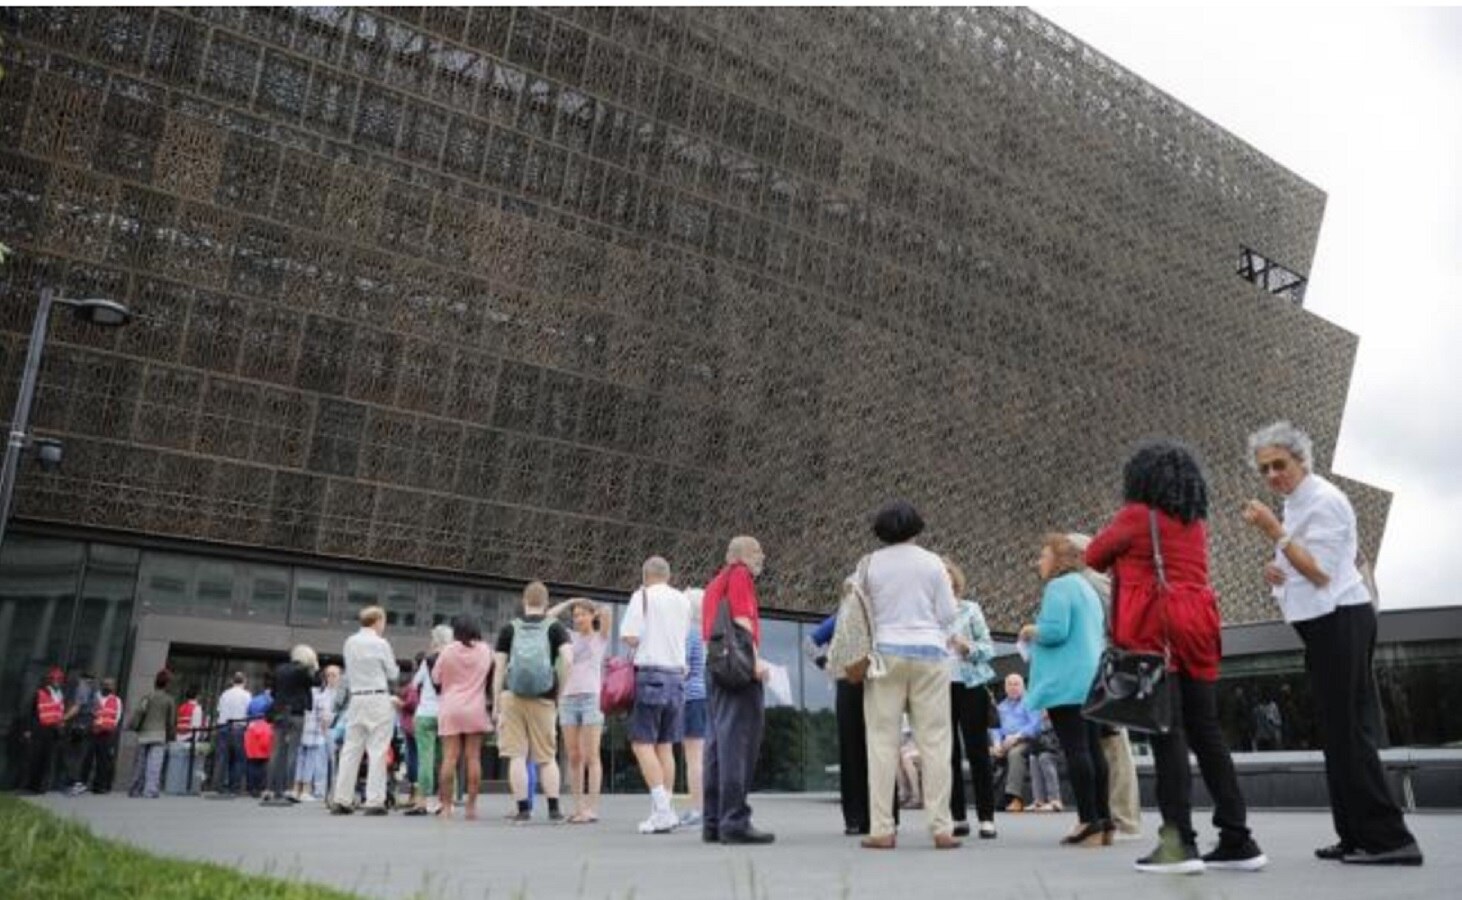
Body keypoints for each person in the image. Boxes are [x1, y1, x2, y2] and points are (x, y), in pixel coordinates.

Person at [1242, 421, 1423, 866]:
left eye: (1279, 465)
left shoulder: (1323, 501)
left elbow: (1322, 571)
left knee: (1351, 733)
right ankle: (1356, 835)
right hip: (1324, 625)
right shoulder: (1296, 504)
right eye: (1264, 469)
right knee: (1336, 734)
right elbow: (1306, 563)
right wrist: (1277, 567)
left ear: (1301, 460)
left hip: (1341, 620)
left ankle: (1390, 840)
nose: (1271, 476)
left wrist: (1274, 533)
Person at [1088, 439, 1266, 874]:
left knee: (1168, 733)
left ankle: (1178, 843)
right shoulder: (1194, 521)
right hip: (1200, 626)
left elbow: (1094, 555)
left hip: (1157, 630)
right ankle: (1237, 839)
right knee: (1207, 732)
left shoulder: (1135, 517)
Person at [859, 501, 960, 851]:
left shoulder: (869, 564)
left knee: (882, 743)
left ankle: (881, 829)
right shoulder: (933, 562)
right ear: (917, 527)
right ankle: (941, 827)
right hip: (930, 653)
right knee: (934, 742)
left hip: (885, 653)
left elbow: (860, 612)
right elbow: (949, 614)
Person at [1019, 533, 1110, 848]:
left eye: (1043, 556)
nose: (1038, 562)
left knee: (1076, 750)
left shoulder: (1058, 587)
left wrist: (1032, 630)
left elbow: (1056, 631)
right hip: (1091, 677)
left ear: (1057, 559)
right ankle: (1104, 819)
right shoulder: (1086, 587)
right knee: (1093, 749)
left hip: (1066, 682)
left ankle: (1087, 821)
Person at [1067, 532, 1144, 841]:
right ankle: (1113, 818)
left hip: (1104, 668)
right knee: (1105, 744)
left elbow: (1118, 624)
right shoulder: (1083, 581)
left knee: (1112, 745)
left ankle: (1124, 820)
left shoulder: (1090, 580)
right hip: (1100, 668)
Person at [701, 535, 776, 845]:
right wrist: (756, 662)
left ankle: (714, 822)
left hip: (716, 667)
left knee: (717, 745)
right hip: (738, 667)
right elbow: (743, 622)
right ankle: (735, 820)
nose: (763, 556)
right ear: (743, 555)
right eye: (758, 550)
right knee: (739, 744)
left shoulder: (714, 583)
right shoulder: (740, 575)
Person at [620, 556, 693, 834]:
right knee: (665, 746)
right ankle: (665, 811)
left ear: (645, 575)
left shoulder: (642, 596)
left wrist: (643, 638)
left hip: (651, 674)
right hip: (677, 677)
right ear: (668, 575)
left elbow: (629, 635)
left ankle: (662, 809)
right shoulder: (683, 601)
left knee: (642, 744)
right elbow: (683, 636)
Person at [492, 581, 572, 823]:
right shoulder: (556, 628)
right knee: (546, 757)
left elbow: (499, 668)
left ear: (524, 601)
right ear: (546, 602)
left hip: (512, 695)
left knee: (517, 755)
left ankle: (523, 810)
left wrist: (496, 702)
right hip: (544, 696)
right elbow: (568, 660)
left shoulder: (509, 629)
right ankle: (555, 810)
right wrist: (560, 692)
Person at [943, 558, 998, 840]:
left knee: (977, 752)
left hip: (970, 685)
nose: (943, 582)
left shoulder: (970, 609)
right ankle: (957, 817)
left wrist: (969, 647)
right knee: (947, 754)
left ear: (955, 581)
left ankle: (987, 818)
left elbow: (989, 649)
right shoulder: (927, 614)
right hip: (938, 687)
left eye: (946, 577)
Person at [331, 606, 401, 816]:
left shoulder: (350, 642)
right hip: (378, 697)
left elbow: (349, 671)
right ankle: (374, 801)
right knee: (377, 750)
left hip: (357, 698)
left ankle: (341, 799)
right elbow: (392, 672)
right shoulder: (381, 643)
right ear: (378, 620)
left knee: (351, 750)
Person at [548, 597, 611, 825]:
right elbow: (547, 617)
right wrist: (571, 601)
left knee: (591, 755)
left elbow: (606, 613)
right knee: (573, 756)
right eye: (575, 615)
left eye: (582, 614)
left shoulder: (599, 638)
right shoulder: (568, 638)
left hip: (591, 698)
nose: (578, 619)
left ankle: (592, 808)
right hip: (567, 698)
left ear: (591, 616)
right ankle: (578, 807)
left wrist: (592, 608)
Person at [430, 614, 493, 820]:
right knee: (473, 758)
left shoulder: (448, 651)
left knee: (449, 758)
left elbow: (436, 678)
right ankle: (471, 807)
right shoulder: (485, 650)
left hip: (450, 707)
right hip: (475, 707)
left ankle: (447, 807)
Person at [403, 625, 452, 816]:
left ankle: (422, 801)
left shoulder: (427, 661)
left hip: (426, 714)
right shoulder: (453, 659)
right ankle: (445, 802)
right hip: (447, 715)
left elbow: (415, 684)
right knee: (446, 759)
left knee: (425, 758)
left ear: (434, 641)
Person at [263, 645, 318, 805]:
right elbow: (316, 682)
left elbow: (273, 692)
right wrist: (314, 666)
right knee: (293, 751)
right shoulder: (302, 670)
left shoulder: (280, 669)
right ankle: (289, 789)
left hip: (279, 713)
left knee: (276, 751)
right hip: (296, 713)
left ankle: (269, 789)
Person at [990, 673, 1042, 810]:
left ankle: (1014, 798)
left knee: (1015, 753)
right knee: (989, 754)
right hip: (1006, 742)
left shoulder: (1030, 702)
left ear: (1023, 687)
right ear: (1005, 688)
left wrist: (1017, 737)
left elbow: (1035, 725)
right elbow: (996, 728)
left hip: (1028, 740)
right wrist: (996, 744)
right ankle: (990, 797)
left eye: (1016, 684)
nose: (1013, 687)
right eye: (1010, 684)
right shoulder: (1001, 707)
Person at [679, 590, 707, 829]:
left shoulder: (689, 634)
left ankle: (698, 810)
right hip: (707, 697)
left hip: (691, 698)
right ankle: (705, 808)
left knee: (693, 758)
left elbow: (683, 669)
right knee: (703, 756)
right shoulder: (707, 634)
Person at [128, 669, 177, 798]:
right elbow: (170, 722)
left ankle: (135, 789)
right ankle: (150, 790)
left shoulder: (147, 697)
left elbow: (139, 712)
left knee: (140, 763)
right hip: (159, 735)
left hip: (144, 734)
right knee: (154, 765)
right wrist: (171, 735)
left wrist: (134, 727)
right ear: (167, 684)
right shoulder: (169, 700)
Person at [294, 665, 335, 802]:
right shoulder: (322, 694)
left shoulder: (306, 692)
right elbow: (325, 715)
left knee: (300, 760)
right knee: (310, 761)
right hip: (315, 732)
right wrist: (326, 727)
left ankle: (296, 789)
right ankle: (306, 790)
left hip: (302, 730)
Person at [23, 665, 67, 793]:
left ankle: (41, 786)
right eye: (55, 680)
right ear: (49, 680)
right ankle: (31, 785)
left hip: (53, 731)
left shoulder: (60, 695)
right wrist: (28, 729)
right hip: (39, 729)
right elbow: (31, 712)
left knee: (46, 759)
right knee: (35, 757)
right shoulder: (40, 693)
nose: (57, 682)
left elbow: (59, 712)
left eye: (59, 680)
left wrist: (60, 725)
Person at [213, 671, 251, 796]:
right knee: (238, 759)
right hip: (238, 728)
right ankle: (234, 788)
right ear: (244, 682)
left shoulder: (225, 694)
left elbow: (219, 710)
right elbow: (249, 713)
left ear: (233, 681)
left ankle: (217, 786)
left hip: (223, 727)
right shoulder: (247, 695)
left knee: (221, 758)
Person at [62, 671, 98, 796]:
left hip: (81, 722)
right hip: (87, 723)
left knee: (73, 753)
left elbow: (77, 707)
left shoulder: (83, 687)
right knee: (79, 753)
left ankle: (76, 783)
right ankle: (76, 782)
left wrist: (63, 718)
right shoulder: (94, 690)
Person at [86, 678, 123, 794]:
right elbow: (89, 712)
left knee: (103, 760)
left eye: (110, 685)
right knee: (87, 758)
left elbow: (117, 717)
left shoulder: (116, 700)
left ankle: (100, 786)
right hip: (92, 732)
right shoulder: (95, 697)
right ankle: (82, 783)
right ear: (101, 685)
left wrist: (109, 728)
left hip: (107, 733)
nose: (108, 687)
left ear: (114, 687)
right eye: (106, 685)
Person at [1028, 713, 1065, 812]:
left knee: (1044, 758)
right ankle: (1039, 800)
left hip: (1060, 749)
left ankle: (1055, 800)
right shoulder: (1038, 718)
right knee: (1033, 758)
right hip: (1044, 748)